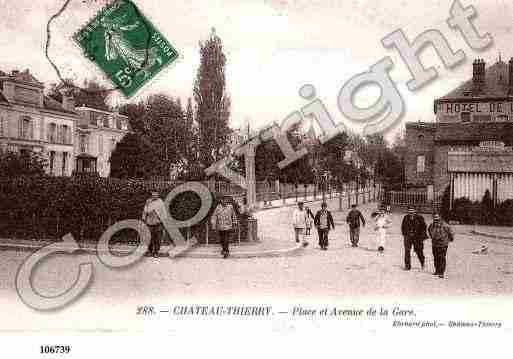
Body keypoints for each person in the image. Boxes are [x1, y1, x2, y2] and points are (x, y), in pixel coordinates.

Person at [428, 213, 454, 278]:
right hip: (435, 243)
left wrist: (449, 240)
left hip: (443, 244)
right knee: (436, 257)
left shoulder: (445, 225)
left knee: (442, 257)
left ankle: (441, 272)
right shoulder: (432, 225)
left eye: (437, 217)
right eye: (434, 217)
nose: (436, 218)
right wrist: (433, 237)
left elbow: (450, 233)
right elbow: (429, 231)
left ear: (440, 217)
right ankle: (437, 270)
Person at [401, 206, 428, 271]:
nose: (411, 212)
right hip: (408, 237)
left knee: (419, 251)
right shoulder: (406, 217)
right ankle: (407, 266)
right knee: (407, 251)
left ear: (415, 211)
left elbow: (424, 227)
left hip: (417, 237)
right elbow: (403, 226)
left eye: (412, 210)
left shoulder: (419, 217)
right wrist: (406, 234)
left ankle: (422, 262)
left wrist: (421, 236)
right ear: (408, 211)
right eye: (410, 210)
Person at [141, 191, 166, 258]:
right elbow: (145, 210)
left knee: (158, 239)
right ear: (151, 195)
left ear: (158, 195)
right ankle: (149, 251)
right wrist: (143, 218)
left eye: (156, 194)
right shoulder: (148, 201)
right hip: (149, 222)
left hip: (158, 223)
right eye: (153, 194)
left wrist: (163, 221)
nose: (155, 196)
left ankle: (156, 252)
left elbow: (163, 212)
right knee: (149, 238)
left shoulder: (160, 202)